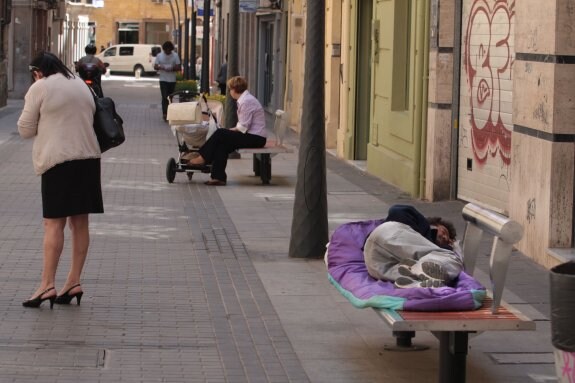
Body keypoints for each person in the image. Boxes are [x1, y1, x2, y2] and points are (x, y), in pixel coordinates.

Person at [17, 52, 103, 309]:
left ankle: (46, 285)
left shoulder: (40, 87)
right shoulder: (79, 84)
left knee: (53, 224)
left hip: (59, 161)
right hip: (88, 159)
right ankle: (74, 282)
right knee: (79, 224)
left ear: (37, 71)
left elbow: (24, 129)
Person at [189, 76, 267, 185]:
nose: (229, 91)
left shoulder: (246, 101)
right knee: (222, 144)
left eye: (230, 89)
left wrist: (230, 131)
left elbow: (243, 127)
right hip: (251, 135)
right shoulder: (244, 100)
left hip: (256, 138)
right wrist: (230, 131)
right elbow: (243, 126)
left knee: (221, 133)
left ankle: (202, 157)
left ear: (234, 89)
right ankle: (218, 178)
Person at [363, 205, 464, 289]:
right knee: (451, 258)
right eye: (444, 232)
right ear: (435, 225)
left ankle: (416, 283)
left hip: (375, 264)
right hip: (388, 234)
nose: (445, 237)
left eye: (447, 240)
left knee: (403, 270)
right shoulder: (421, 226)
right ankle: (421, 270)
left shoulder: (424, 246)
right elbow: (396, 210)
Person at [154, 40, 181, 121]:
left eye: (169, 50)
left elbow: (179, 67)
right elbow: (155, 66)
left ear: (171, 49)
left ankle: (170, 113)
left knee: (170, 97)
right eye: (166, 50)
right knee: (164, 97)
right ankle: (165, 114)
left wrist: (171, 68)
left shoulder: (175, 56)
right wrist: (161, 67)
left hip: (172, 80)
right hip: (163, 79)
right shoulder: (159, 56)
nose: (168, 51)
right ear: (164, 49)